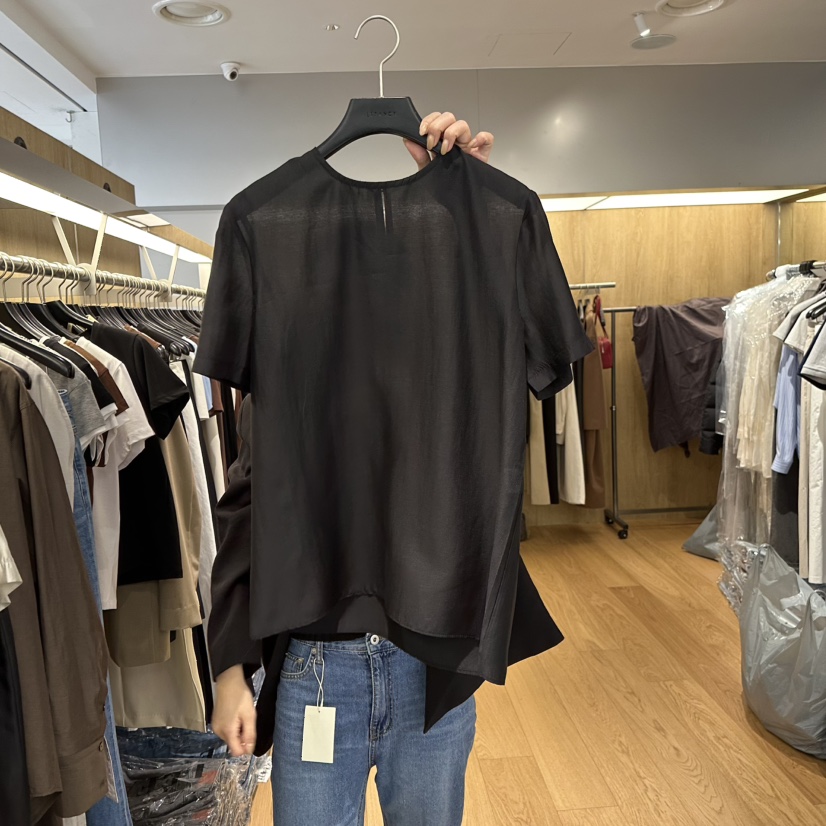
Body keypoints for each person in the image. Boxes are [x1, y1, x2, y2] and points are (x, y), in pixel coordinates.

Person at [211, 113, 496, 825]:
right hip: (315, 669)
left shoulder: (452, 353)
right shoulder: (298, 363)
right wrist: (228, 665)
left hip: (430, 663)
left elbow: (513, 343)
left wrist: (466, 202)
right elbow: (249, 498)